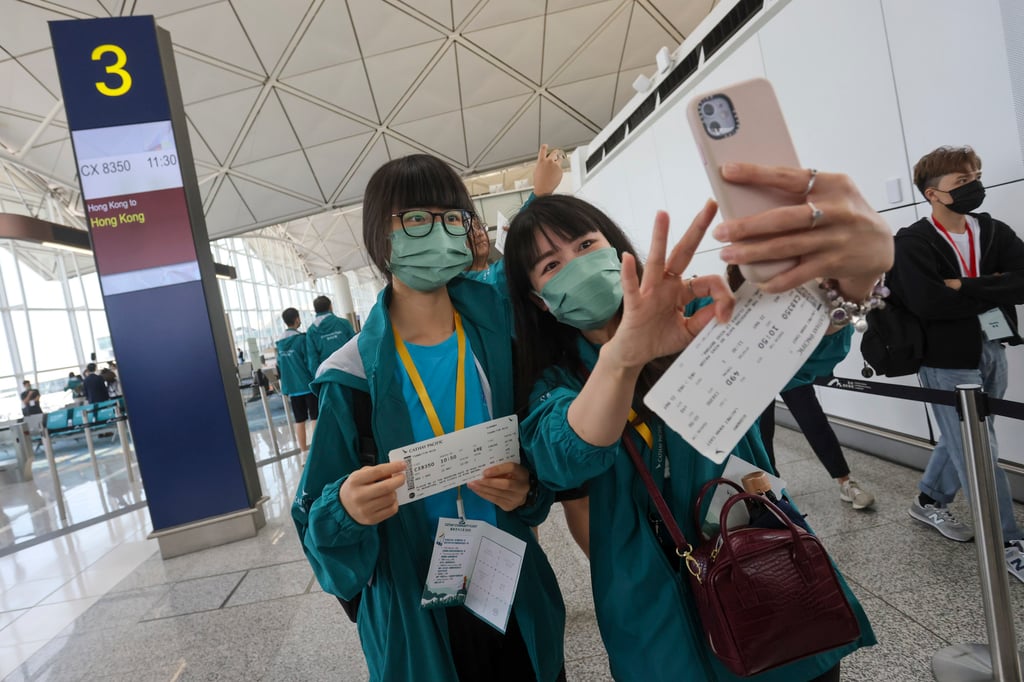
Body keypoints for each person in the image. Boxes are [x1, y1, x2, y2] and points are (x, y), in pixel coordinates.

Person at [504, 162, 890, 681]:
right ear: (538, 301)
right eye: (551, 266)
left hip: (768, 577)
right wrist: (623, 356)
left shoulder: (698, 312)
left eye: (586, 245)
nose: (575, 265)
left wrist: (853, 282)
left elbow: (805, 356)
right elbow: (565, 455)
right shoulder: (553, 383)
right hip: (657, 623)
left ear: (619, 251)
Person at [291, 154, 565, 682]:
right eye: (415, 219)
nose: (437, 232)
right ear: (381, 238)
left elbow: (543, 455)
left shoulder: (500, 343)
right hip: (416, 612)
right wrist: (346, 506)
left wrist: (528, 492)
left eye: (452, 218)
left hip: (509, 584)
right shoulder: (351, 378)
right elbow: (316, 524)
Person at [890, 146, 1024, 573]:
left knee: (965, 436)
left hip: (993, 345)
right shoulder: (912, 241)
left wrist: (962, 287)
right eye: (962, 182)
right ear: (934, 194)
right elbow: (927, 302)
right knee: (978, 446)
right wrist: (993, 285)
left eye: (976, 176)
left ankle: (929, 500)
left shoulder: (992, 230)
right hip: (945, 357)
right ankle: (1007, 543)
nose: (975, 185)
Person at [730, 264, 876, 511]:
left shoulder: (797, 273)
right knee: (762, 431)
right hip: (756, 367)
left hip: (792, 365)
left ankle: (845, 482)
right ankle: (772, 490)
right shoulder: (741, 273)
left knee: (813, 421)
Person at [275, 308, 317, 454]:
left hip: (292, 388)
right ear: (297, 319)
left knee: (299, 420)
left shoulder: (279, 344)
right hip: (307, 384)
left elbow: (279, 366)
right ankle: (317, 449)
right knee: (315, 417)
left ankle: (303, 452)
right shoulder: (301, 339)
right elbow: (310, 361)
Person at [305, 295, 355, 376]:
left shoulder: (311, 332)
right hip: (349, 371)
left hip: (327, 375)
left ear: (315, 310)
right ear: (330, 307)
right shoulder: (343, 323)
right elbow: (355, 346)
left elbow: (312, 360)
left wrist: (318, 379)